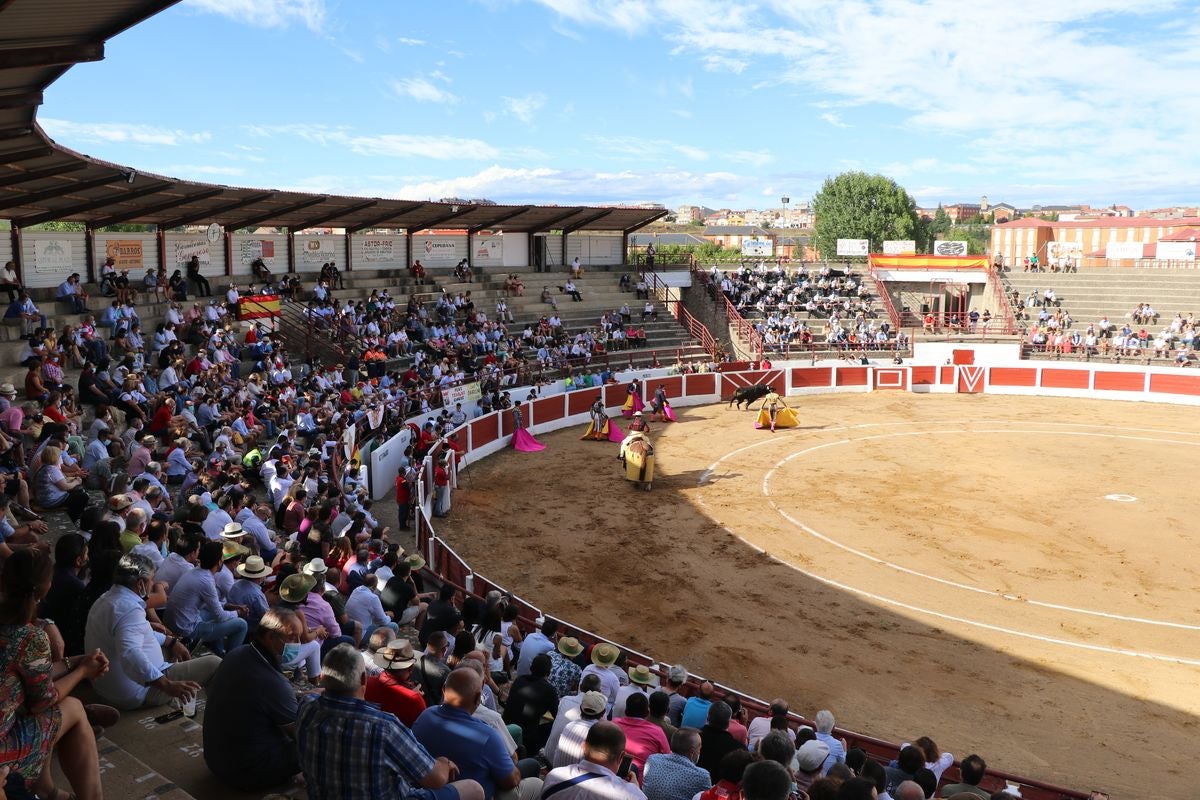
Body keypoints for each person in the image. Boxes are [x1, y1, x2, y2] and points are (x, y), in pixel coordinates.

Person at [297, 643, 485, 800]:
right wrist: (443, 763)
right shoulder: (384, 726)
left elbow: (313, 695)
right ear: (362, 678)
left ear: (322, 678)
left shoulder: (306, 706)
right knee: (474, 788)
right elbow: (435, 780)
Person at [0, 550, 107, 800]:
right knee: (72, 707)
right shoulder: (30, 637)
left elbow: (28, 674)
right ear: (46, 588)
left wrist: (74, 662)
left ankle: (48, 791)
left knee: (59, 708)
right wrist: (82, 671)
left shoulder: (20, 632)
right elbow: (43, 701)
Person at [84, 552, 219, 709]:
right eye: (151, 579)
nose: (152, 583)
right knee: (215, 663)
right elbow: (130, 654)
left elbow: (136, 633)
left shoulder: (108, 599)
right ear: (140, 584)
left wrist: (171, 641)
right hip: (136, 692)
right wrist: (166, 685)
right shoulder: (128, 610)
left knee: (169, 646)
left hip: (106, 687)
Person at [203, 608, 305, 791]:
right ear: (270, 638)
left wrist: (302, 697)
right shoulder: (272, 682)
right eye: (292, 638)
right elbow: (300, 734)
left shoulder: (237, 654)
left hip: (216, 759)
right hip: (246, 772)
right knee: (318, 741)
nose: (298, 643)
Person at [413, 667, 539, 800]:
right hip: (481, 794)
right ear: (478, 698)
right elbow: (510, 782)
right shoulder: (487, 736)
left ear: (444, 689)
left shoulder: (425, 715)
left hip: (432, 793)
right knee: (537, 781)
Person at [168, 539, 249, 655]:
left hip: (178, 622)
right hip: (187, 629)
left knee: (219, 614)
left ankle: (218, 651)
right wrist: (238, 613)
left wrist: (229, 606)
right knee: (241, 624)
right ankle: (230, 661)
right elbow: (220, 616)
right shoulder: (206, 580)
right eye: (222, 558)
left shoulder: (195, 571)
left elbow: (211, 605)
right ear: (219, 561)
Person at [540, 722, 646, 800]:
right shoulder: (631, 795)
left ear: (583, 746)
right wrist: (635, 790)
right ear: (621, 756)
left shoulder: (554, 776)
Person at [501, 652, 558, 752]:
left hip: (505, 728)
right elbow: (556, 714)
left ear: (531, 668)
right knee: (553, 725)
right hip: (525, 740)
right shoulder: (549, 690)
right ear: (548, 673)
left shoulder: (519, 680)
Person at [365, 638, 427, 727]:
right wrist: (413, 695)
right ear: (411, 668)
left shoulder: (367, 682)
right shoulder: (414, 700)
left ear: (385, 664)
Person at [642, 728, 711, 800]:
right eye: (699, 747)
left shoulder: (652, 759)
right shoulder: (702, 776)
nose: (700, 750)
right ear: (692, 752)